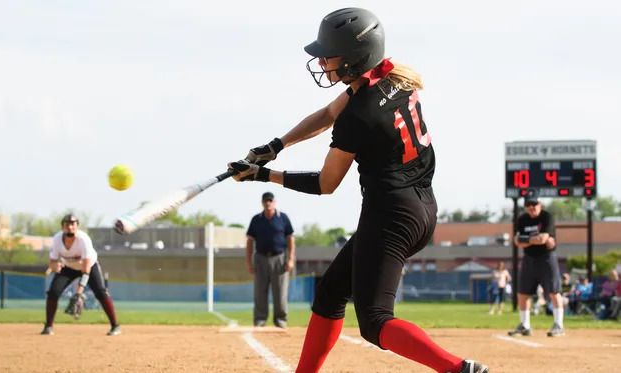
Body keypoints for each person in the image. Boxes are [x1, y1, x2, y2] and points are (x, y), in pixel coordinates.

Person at [228, 7, 487, 373]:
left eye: (328, 53)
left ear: (353, 59)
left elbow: (325, 184)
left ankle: (457, 368)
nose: (321, 60)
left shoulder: (360, 113)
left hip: (391, 217)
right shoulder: (391, 79)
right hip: (419, 209)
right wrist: (277, 144)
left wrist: (262, 175)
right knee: (331, 291)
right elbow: (326, 114)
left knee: (375, 321)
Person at [41, 214, 121, 336]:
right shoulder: (57, 239)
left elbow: (86, 269)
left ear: (77, 226)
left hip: (89, 267)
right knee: (53, 292)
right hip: (68, 267)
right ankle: (48, 326)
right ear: (62, 227)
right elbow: (52, 261)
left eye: (73, 224)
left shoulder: (83, 239)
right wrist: (55, 267)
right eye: (67, 224)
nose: (70, 227)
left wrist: (78, 293)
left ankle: (115, 326)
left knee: (101, 292)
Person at [508, 196, 565, 337]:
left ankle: (559, 325)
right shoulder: (522, 219)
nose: (531, 207)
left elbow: (543, 239)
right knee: (523, 293)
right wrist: (536, 239)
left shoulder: (547, 217)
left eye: (534, 204)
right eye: (528, 204)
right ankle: (525, 325)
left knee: (553, 291)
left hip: (546, 258)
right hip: (529, 258)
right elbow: (517, 241)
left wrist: (527, 239)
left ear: (540, 204)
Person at [245, 192, 295, 328]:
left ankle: (281, 320)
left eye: (270, 200)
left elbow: (290, 238)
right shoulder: (256, 219)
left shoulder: (282, 218)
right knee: (260, 292)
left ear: (274, 202)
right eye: (265, 201)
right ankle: (260, 319)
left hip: (279, 258)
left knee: (280, 292)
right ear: (262, 203)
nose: (268, 203)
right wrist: (249, 262)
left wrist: (290, 259)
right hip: (260, 258)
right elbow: (250, 241)